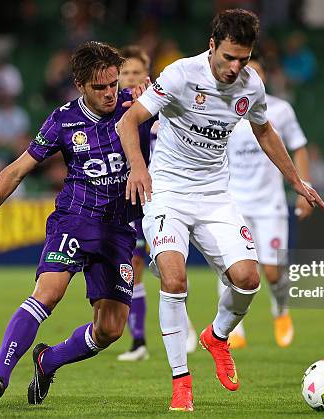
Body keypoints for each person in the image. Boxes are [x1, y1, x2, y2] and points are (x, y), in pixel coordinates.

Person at [116, 8, 324, 412]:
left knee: (249, 279)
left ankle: (217, 336)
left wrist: (297, 182)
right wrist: (139, 169)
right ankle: (181, 384)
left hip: (215, 195)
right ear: (212, 46)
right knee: (174, 281)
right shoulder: (180, 74)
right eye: (228, 57)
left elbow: (265, 130)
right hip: (169, 193)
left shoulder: (252, 86)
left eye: (243, 59)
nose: (235, 68)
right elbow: (129, 121)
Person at [0, 41, 154, 408]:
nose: (109, 93)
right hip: (74, 220)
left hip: (120, 230)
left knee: (109, 330)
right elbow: (16, 171)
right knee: (48, 293)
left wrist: (151, 94)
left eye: (113, 84)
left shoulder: (137, 106)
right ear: (80, 85)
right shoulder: (63, 120)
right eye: (100, 87)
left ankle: (49, 359)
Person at [224, 56, 314, 349]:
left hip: (269, 204)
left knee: (273, 271)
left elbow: (299, 147)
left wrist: (305, 185)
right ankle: (233, 327)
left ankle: (281, 309)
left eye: (257, 74)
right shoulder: (222, 106)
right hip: (234, 201)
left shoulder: (280, 109)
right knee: (233, 264)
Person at [115, 45, 197, 362]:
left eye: (136, 72)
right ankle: (139, 342)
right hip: (128, 195)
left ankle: (182, 325)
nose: (130, 78)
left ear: (147, 75)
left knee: (165, 267)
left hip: (163, 194)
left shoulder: (164, 103)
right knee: (132, 266)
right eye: (125, 73)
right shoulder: (117, 109)